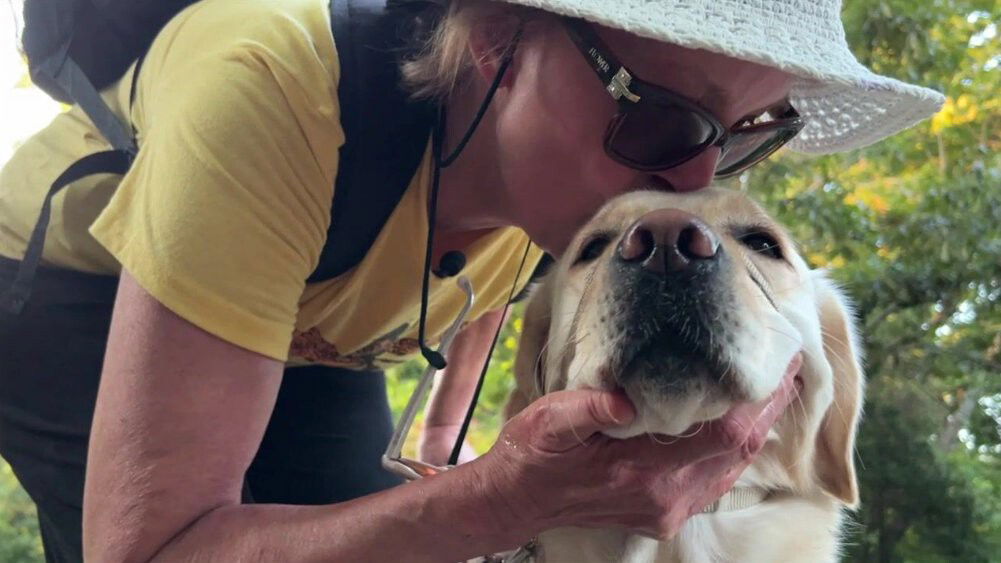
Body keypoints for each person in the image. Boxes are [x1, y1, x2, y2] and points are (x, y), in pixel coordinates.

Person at [0, 0, 943, 561]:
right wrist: (500, 498)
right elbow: (153, 551)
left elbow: (498, 285)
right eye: (659, 112)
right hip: (82, 292)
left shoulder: (570, 187)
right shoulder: (266, 90)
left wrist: (452, 439)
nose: (691, 187)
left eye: (746, 135)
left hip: (317, 321)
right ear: (493, 39)